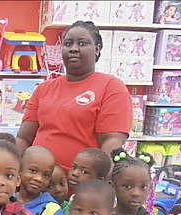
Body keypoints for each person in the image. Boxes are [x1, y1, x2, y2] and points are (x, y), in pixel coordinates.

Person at [16, 21, 132, 171]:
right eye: (68, 44)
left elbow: (112, 142)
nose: (73, 49)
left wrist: (97, 185)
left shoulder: (111, 87)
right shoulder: (44, 88)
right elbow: (23, 138)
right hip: (36, 183)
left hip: (81, 187)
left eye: (82, 43)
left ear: (97, 49)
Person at [17, 146, 68, 215]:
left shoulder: (52, 210)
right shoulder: (8, 201)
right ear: (20, 169)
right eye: (33, 171)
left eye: (46, 175)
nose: (39, 179)